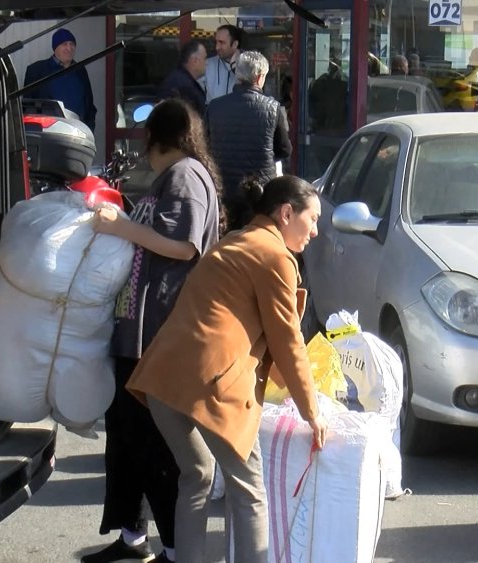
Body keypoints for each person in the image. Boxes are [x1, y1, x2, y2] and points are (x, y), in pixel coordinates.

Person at [125, 175, 328, 563]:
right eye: (313, 219)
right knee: (249, 489)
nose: (316, 231)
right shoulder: (274, 255)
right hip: (212, 384)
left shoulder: (235, 241)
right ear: (287, 213)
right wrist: (311, 411)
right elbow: (288, 341)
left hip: (164, 377)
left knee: (196, 476)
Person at [82, 98, 223, 563]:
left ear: (158, 138)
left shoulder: (185, 177)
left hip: (158, 333)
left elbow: (184, 246)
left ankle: (176, 546)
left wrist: (121, 227)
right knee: (125, 435)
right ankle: (131, 536)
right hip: (137, 330)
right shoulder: (174, 176)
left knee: (155, 443)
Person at [206, 51, 292, 231]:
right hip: (260, 192)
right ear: (260, 77)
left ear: (237, 76)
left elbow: (205, 146)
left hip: (223, 189)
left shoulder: (215, 107)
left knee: (225, 243)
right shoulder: (272, 108)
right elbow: (284, 150)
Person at [24, 28, 97, 131]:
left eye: (72, 44)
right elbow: (28, 107)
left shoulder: (80, 71)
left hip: (78, 135)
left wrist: (89, 130)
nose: (69, 48)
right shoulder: (37, 71)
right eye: (64, 44)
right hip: (49, 135)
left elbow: (89, 107)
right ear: (55, 48)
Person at [157, 40, 208, 116]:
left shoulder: (181, 79)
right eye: (205, 58)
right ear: (195, 61)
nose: (207, 63)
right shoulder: (184, 87)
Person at [204, 24, 243, 104]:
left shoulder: (249, 65)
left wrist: (236, 68)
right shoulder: (208, 65)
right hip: (213, 114)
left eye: (222, 43)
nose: (217, 47)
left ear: (235, 44)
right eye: (216, 42)